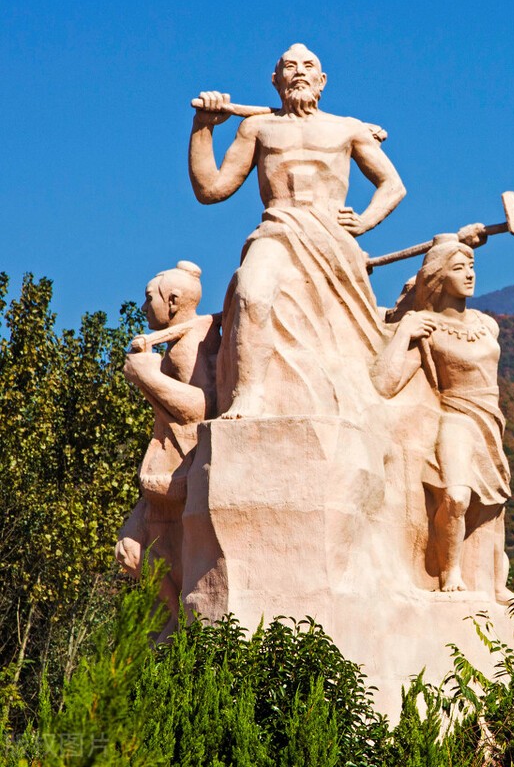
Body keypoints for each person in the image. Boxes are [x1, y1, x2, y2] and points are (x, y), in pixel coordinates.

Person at [189, 43, 406, 418]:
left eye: (309, 66)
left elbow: (393, 185)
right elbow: (211, 189)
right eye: (290, 66)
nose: (300, 71)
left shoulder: (348, 129)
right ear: (276, 80)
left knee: (343, 336)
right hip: (278, 229)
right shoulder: (257, 127)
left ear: (322, 81)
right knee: (251, 293)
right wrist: (203, 128)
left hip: (333, 238)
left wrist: (365, 221)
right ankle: (249, 394)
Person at [371, 236, 514, 599]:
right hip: (455, 418)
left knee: (493, 505)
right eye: (458, 268)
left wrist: (461, 239)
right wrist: (403, 331)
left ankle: (495, 583)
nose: (469, 275)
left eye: (472, 266)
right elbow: (384, 384)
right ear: (438, 276)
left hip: (490, 421)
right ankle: (448, 572)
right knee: (455, 496)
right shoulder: (427, 328)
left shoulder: (487, 324)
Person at [118, 261, 220, 639]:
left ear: (173, 301)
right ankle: (174, 619)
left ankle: (178, 624)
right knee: (128, 552)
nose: (144, 308)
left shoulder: (187, 345)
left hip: (180, 471)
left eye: (150, 299)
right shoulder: (179, 340)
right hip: (163, 476)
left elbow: (200, 406)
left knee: (134, 552)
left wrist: (146, 375)